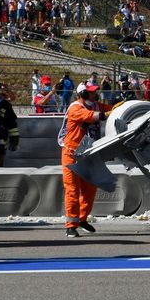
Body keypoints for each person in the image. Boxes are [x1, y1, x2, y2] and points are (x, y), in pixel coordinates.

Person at [57, 83, 113, 238]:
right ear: (83, 94)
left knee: (90, 189)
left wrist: (122, 106)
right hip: (72, 154)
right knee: (72, 190)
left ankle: (82, 219)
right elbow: (90, 116)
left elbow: (111, 108)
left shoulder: (95, 105)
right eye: (91, 93)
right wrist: (104, 114)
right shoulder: (75, 108)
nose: (95, 95)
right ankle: (71, 226)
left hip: (89, 153)